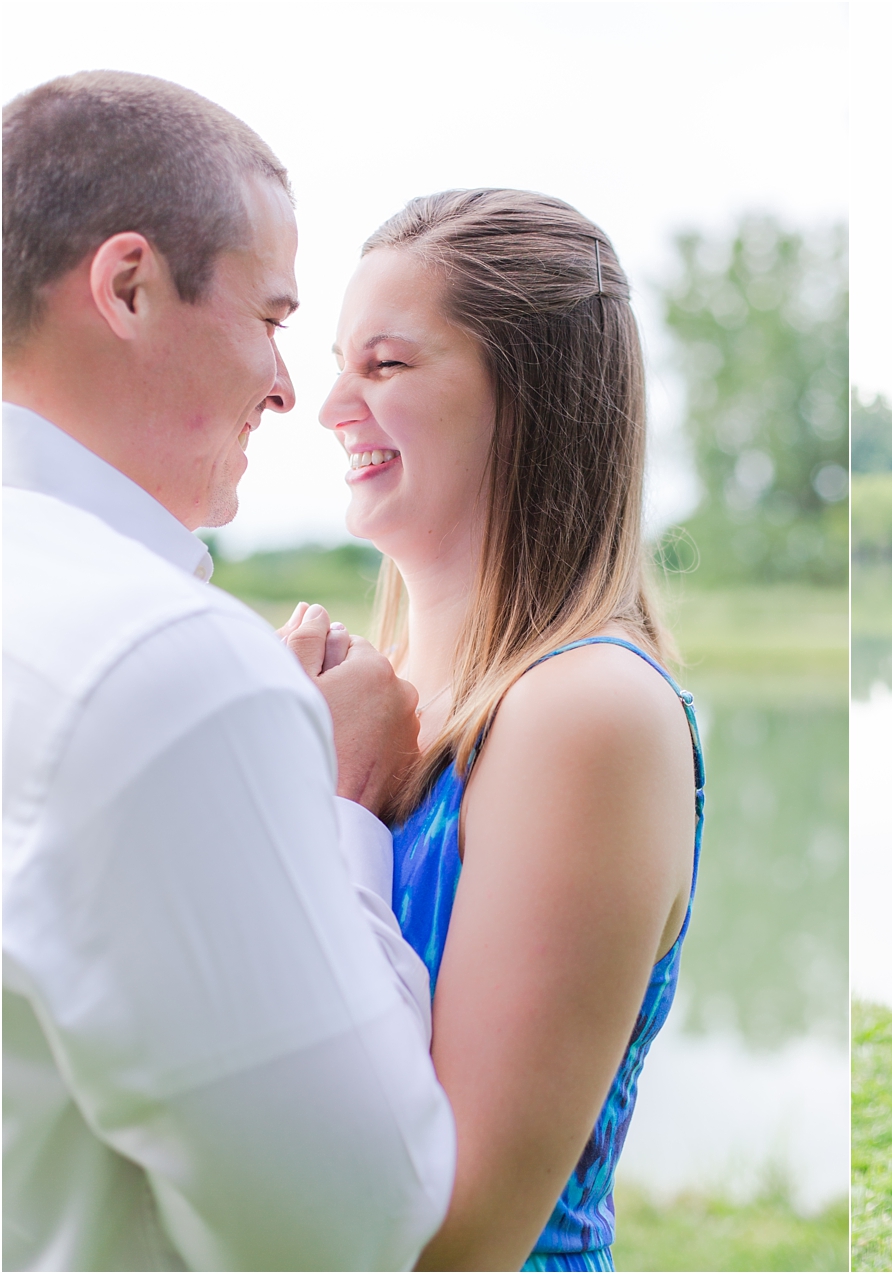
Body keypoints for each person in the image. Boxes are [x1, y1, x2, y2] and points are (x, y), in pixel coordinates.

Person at [1, 72, 455, 1269]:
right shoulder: (161, 665)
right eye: (270, 315)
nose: (289, 386)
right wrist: (334, 802)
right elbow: (353, 1220)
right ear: (131, 286)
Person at [300, 188, 701, 1271]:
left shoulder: (586, 713)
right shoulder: (372, 690)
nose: (329, 402)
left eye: (384, 365)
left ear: (529, 401)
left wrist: (330, 808)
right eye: (340, 360)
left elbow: (456, 1235)